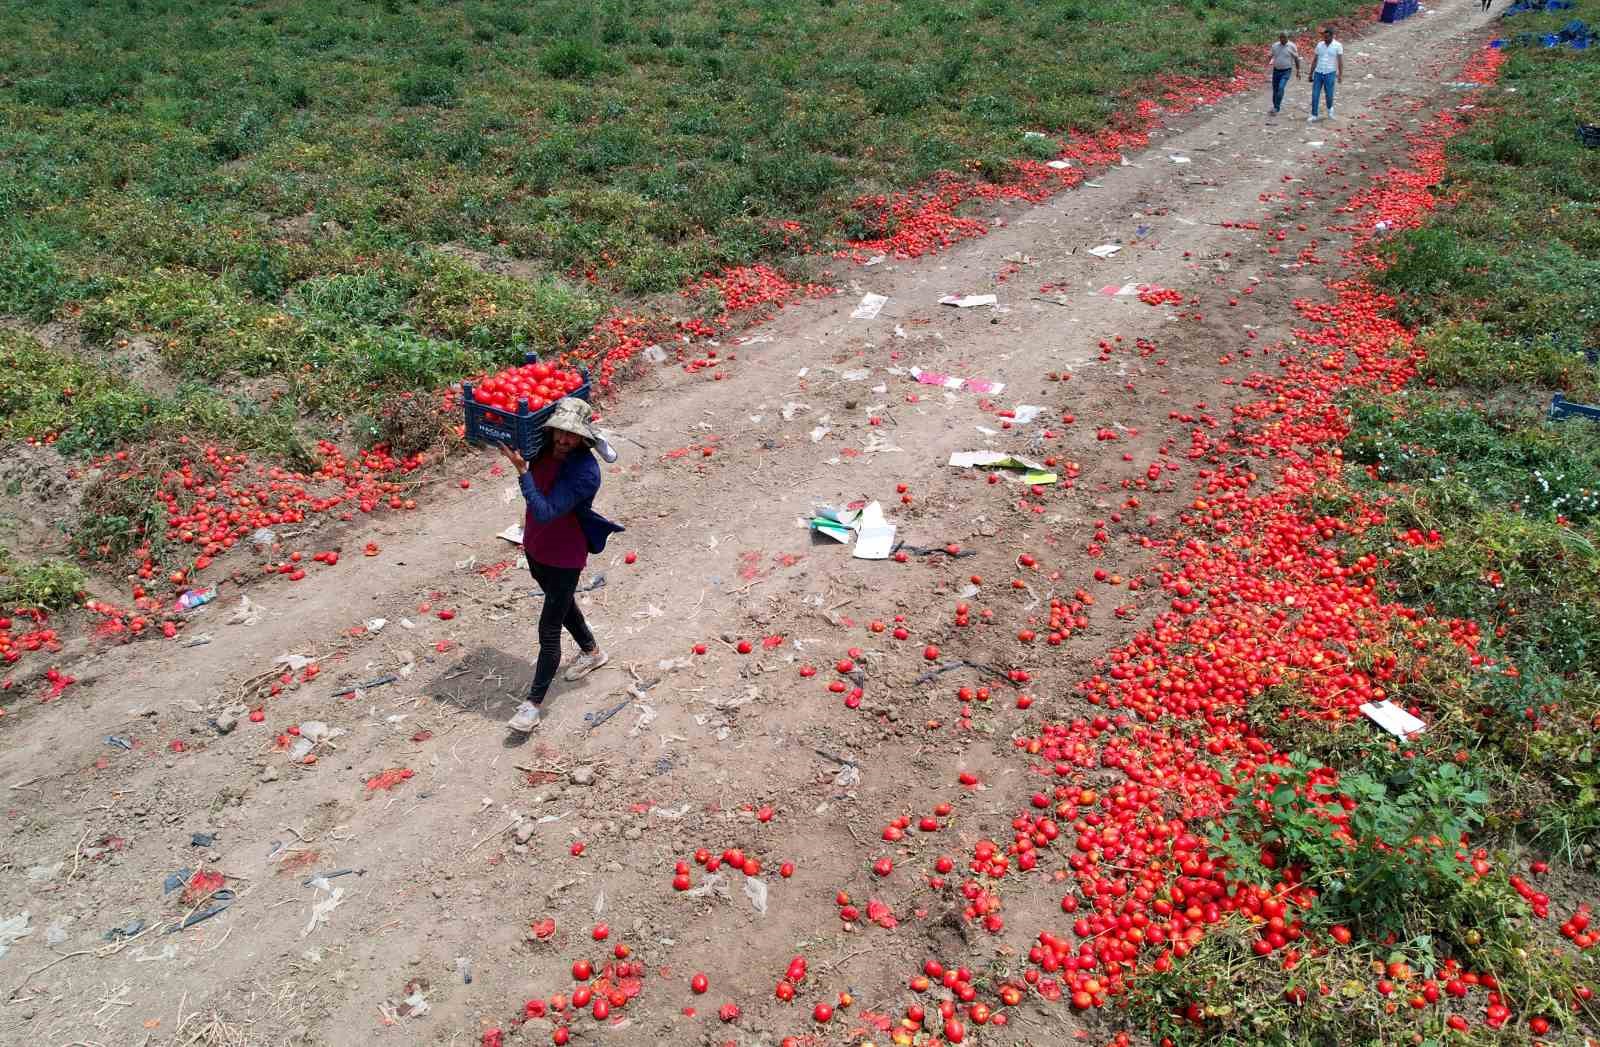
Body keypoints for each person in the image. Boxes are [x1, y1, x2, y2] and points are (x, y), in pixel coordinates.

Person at [498, 398, 624, 732]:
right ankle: (593, 652)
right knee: (563, 604)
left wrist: (523, 473)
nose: (564, 440)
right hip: (536, 547)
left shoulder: (585, 472)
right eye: (560, 432)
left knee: (549, 628)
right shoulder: (543, 449)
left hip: (565, 556)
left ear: (585, 437)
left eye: (572, 435)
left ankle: (532, 706)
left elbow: (545, 510)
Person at [1308, 26, 1343, 122]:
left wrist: (1340, 75)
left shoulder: (1338, 45)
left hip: (1330, 73)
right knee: (1315, 94)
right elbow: (1315, 60)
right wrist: (1311, 73)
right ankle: (1314, 114)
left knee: (1329, 94)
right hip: (1318, 72)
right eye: (1324, 37)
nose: (1325, 39)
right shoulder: (1320, 45)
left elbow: (1340, 61)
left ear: (1332, 36)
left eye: (1327, 37)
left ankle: (1330, 109)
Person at [1268, 32, 1301, 116]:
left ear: (1287, 38)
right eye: (1281, 38)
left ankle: (1276, 107)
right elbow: (1270, 56)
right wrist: (1269, 58)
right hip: (1276, 70)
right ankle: (1275, 106)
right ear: (1279, 38)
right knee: (1275, 89)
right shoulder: (1275, 46)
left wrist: (1298, 70)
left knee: (1281, 87)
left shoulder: (1292, 46)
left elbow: (1296, 58)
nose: (1283, 39)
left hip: (1286, 71)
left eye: (1284, 38)